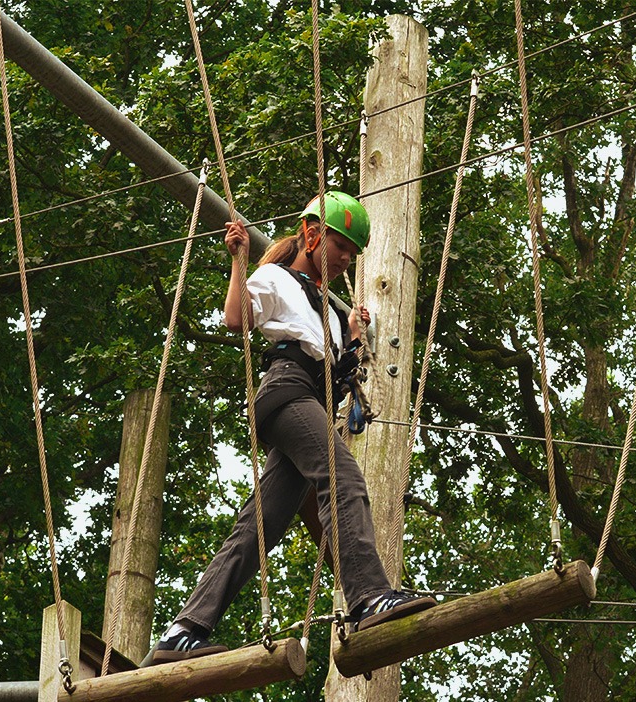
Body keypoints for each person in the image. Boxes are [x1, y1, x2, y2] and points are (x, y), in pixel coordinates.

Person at [150, 191, 436, 664]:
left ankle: (183, 632)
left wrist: (354, 337)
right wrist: (239, 261)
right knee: (344, 479)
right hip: (288, 392)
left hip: (311, 400)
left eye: (352, 252)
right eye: (340, 245)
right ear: (310, 234)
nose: (346, 258)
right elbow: (236, 317)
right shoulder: (276, 278)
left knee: (260, 524)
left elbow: (337, 374)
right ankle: (369, 596)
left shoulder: (325, 307)